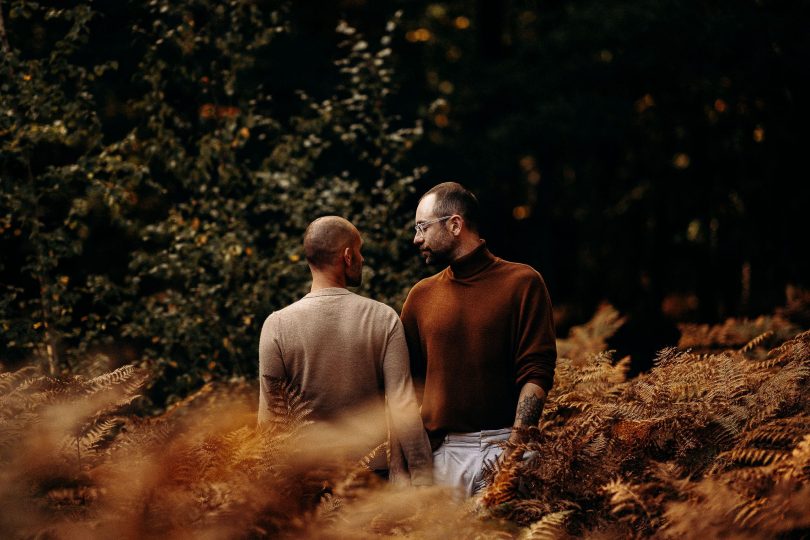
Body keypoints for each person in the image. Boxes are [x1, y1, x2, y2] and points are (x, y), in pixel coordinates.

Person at [400, 182, 557, 497]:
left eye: (422, 227)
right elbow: (406, 385)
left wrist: (513, 456)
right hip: (442, 457)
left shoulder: (523, 283)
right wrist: (415, 464)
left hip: (507, 447)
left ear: (455, 224)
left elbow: (537, 371)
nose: (416, 239)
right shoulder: (421, 296)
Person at [258, 216, 432, 486]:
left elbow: (270, 419)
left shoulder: (277, 325)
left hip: (306, 485)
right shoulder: (383, 318)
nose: (362, 259)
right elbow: (403, 406)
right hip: (371, 481)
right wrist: (423, 479)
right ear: (348, 256)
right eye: (359, 251)